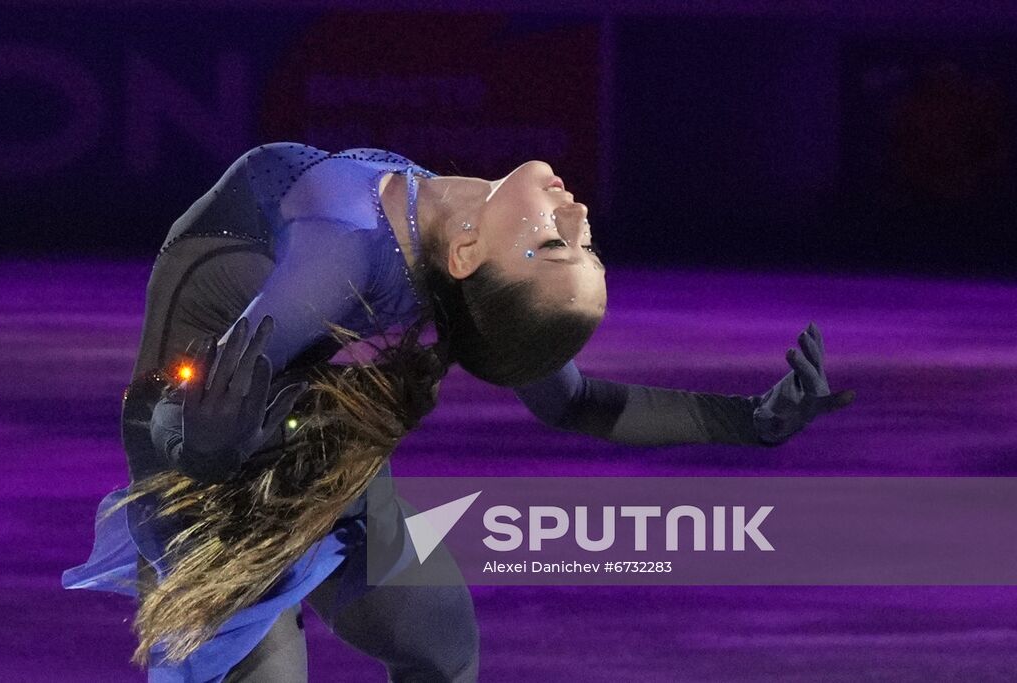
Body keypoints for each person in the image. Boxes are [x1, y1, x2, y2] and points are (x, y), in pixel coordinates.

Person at [62, 142, 854, 682]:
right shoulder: (413, 250)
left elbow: (572, 399)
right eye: (581, 244)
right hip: (220, 461)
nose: (577, 219)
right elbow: (182, 408)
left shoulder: (349, 248)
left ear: (472, 253)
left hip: (247, 437)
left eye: (557, 246)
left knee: (442, 641)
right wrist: (203, 446)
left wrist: (749, 422)